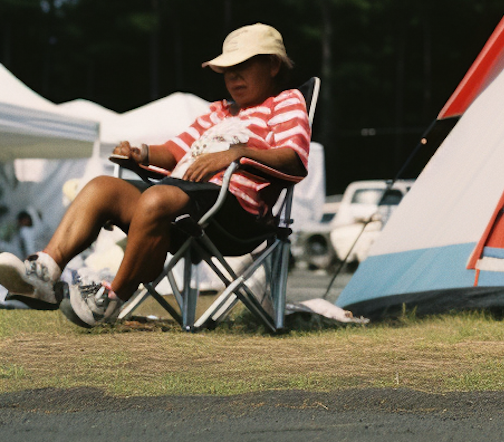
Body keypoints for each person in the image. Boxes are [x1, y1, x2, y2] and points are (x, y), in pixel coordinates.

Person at [0, 24, 311, 327]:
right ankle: (44, 273)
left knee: (158, 196)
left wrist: (235, 154)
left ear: (272, 65)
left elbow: (293, 158)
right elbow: (174, 151)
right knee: (101, 187)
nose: (232, 76)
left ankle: (109, 299)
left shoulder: (284, 102)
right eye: (226, 69)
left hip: (234, 216)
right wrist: (142, 154)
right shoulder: (218, 112)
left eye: (242, 65)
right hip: (178, 205)